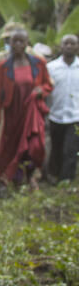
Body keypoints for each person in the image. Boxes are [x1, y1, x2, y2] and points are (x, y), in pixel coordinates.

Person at [0, 27, 53, 187]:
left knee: (34, 145)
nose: (17, 45)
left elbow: (47, 84)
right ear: (9, 44)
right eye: (14, 41)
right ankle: (14, 180)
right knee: (11, 145)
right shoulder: (2, 67)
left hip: (31, 111)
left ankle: (31, 175)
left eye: (21, 41)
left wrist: (41, 91)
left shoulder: (39, 63)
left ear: (26, 43)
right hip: (12, 112)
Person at [46, 34, 79, 183]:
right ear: (61, 46)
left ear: (77, 47)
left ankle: (67, 180)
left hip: (75, 116)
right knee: (56, 148)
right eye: (66, 43)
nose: (69, 46)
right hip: (55, 115)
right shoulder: (51, 68)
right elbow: (46, 90)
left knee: (70, 150)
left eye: (73, 44)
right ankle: (54, 175)